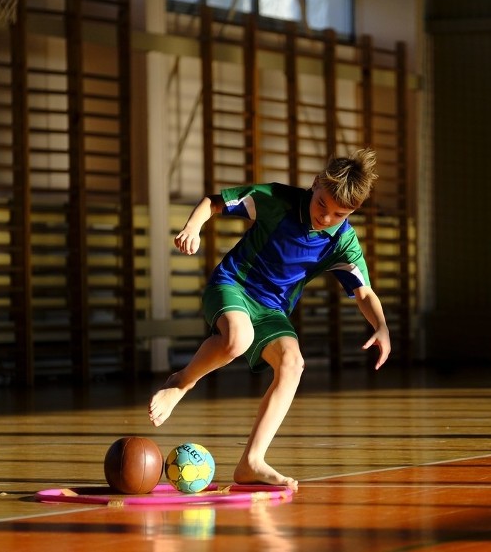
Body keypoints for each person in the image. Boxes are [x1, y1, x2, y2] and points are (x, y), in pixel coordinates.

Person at [148, 148, 391, 491]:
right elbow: (213, 202)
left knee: (292, 363)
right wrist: (193, 227)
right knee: (237, 338)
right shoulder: (277, 199)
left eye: (339, 214)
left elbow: (364, 292)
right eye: (322, 204)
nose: (326, 217)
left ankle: (251, 462)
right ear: (315, 184)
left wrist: (381, 325)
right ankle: (182, 382)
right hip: (233, 285)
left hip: (272, 309)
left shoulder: (342, 241)